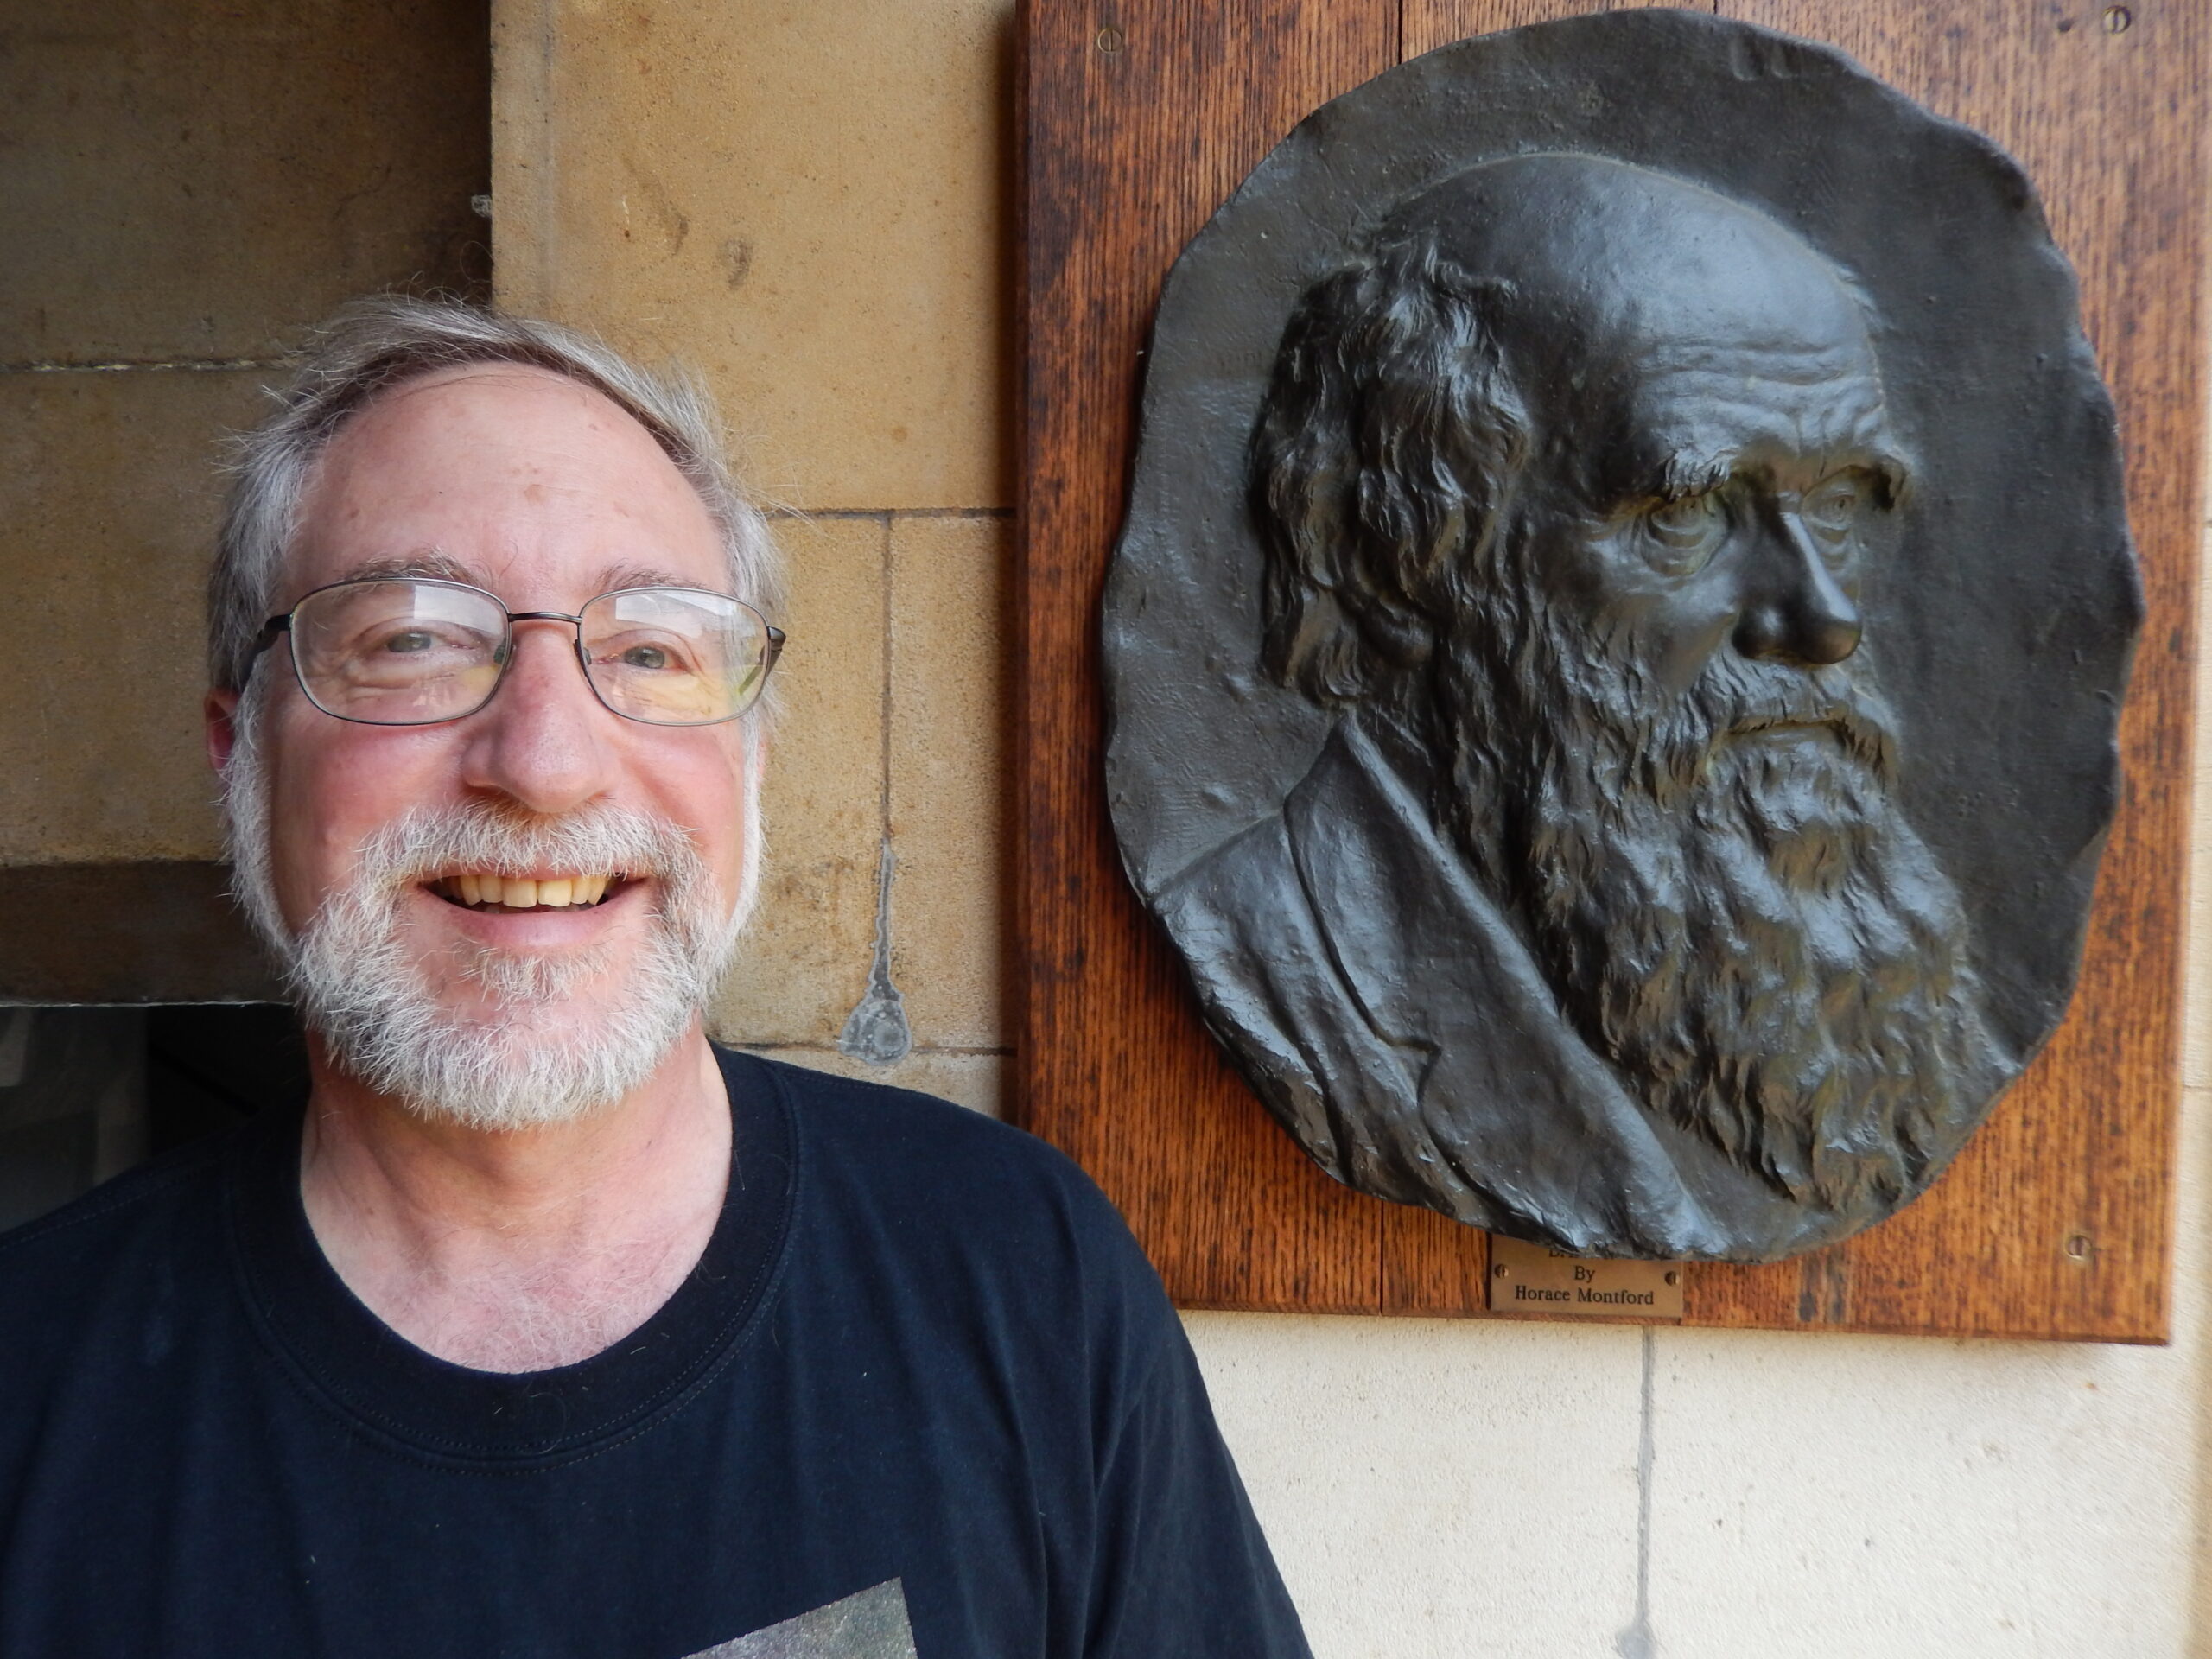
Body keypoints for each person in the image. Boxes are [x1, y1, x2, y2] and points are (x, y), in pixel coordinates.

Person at [0, 299, 1311, 1658]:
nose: (546, 763)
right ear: (240, 754)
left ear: (748, 756)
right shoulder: (30, 1392)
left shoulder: (1021, 1280)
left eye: (648, 651)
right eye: (413, 641)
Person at [1162, 153, 2007, 1262]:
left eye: (1841, 502)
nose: (1823, 621)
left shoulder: (1920, 1015)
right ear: (1398, 559)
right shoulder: (1271, 966)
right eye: (1689, 512)